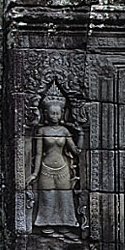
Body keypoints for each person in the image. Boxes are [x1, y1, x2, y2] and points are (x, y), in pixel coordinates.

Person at [26, 82, 81, 235]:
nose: (55, 116)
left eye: (57, 113)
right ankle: (46, 224)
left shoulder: (64, 131)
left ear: (62, 113)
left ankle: (66, 224)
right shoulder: (42, 131)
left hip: (63, 168)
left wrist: (81, 134)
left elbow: (76, 151)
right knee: (47, 198)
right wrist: (34, 174)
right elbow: (37, 154)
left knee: (65, 198)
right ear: (45, 113)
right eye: (52, 113)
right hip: (45, 169)